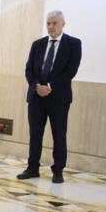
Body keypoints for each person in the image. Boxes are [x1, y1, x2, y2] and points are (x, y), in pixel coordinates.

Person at [16, 10, 81, 183]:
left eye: (54, 23)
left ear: (63, 24)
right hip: (36, 97)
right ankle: (32, 168)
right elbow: (29, 69)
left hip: (59, 99)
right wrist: (37, 86)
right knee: (35, 134)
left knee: (59, 135)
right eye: (48, 23)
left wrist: (50, 87)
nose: (51, 27)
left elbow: (71, 71)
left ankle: (58, 170)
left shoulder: (73, 44)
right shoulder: (37, 44)